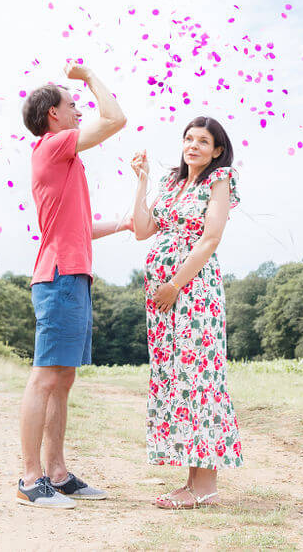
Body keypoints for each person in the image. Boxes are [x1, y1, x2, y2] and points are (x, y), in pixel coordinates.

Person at [16, 60, 131, 509]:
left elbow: (79, 227)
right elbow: (115, 119)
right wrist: (89, 76)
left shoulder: (65, 159)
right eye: (72, 105)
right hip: (59, 276)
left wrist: (122, 224)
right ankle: (31, 479)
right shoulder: (52, 146)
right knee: (45, 377)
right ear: (53, 115)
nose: (79, 111)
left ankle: (58, 474)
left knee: (63, 379)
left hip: (73, 276)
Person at [129, 115, 243, 510]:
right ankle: (193, 483)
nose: (193, 145)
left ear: (217, 150)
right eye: (189, 138)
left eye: (203, 141)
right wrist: (142, 181)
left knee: (199, 376)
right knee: (177, 377)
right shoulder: (171, 182)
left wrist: (175, 284)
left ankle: (206, 486)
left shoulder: (219, 180)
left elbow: (211, 238)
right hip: (163, 297)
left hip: (193, 290)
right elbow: (142, 230)